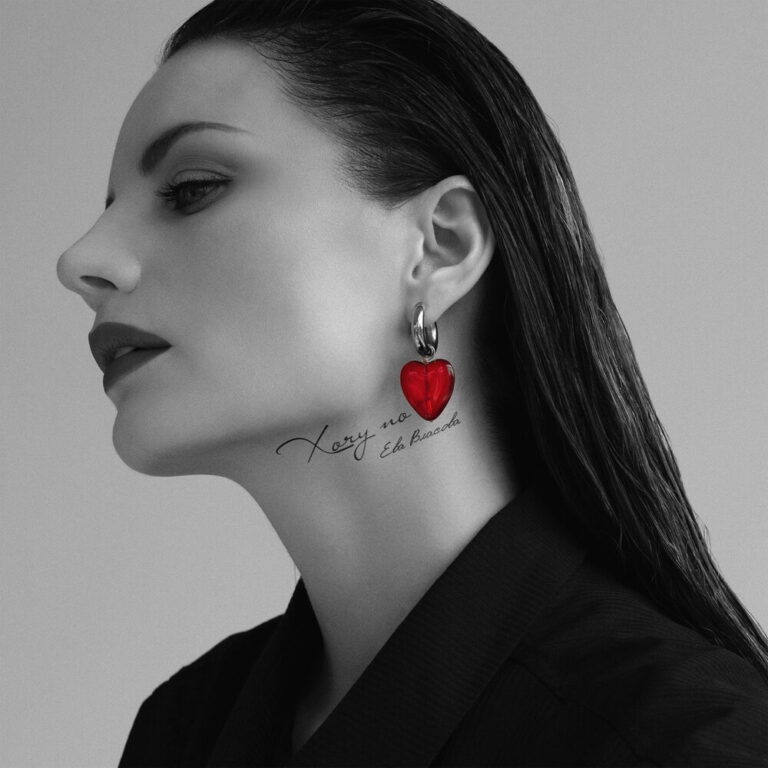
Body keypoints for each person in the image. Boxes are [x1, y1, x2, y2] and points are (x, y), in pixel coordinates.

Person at [56, 0, 768, 765]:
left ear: (439, 246)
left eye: (191, 188)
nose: (81, 260)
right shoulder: (182, 731)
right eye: (111, 209)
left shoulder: (683, 742)